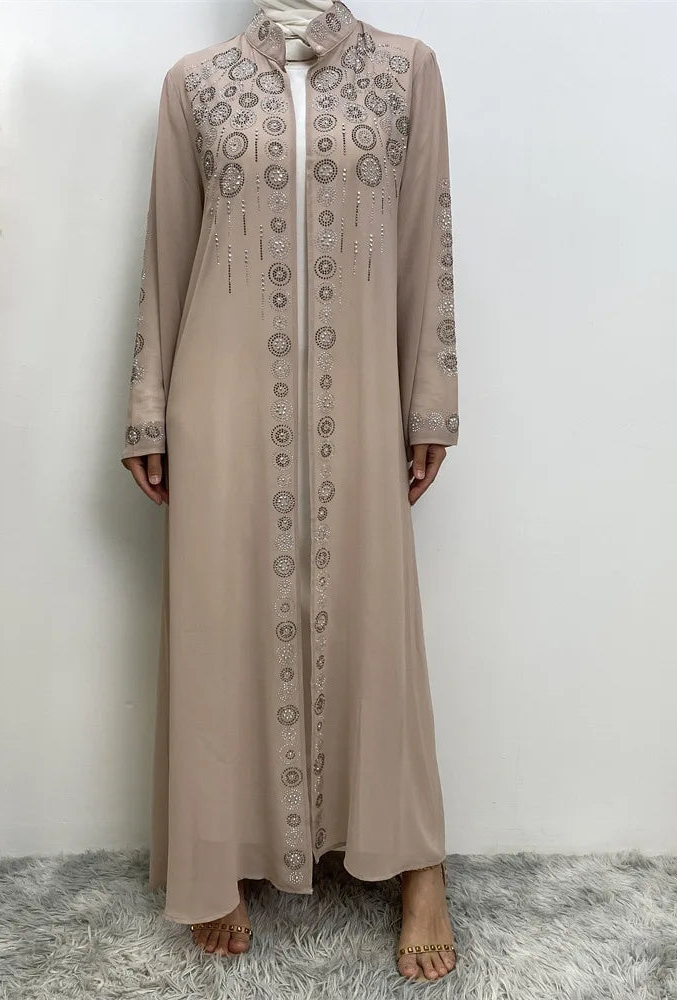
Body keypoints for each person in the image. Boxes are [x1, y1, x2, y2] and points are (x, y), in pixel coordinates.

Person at [121, 0, 459, 982]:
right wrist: (149, 406)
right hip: (220, 393)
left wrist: (428, 402)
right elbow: (165, 252)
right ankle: (217, 856)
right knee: (218, 621)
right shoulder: (195, 83)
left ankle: (418, 862)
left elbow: (425, 242)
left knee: (376, 621)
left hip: (361, 390)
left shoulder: (406, 70)